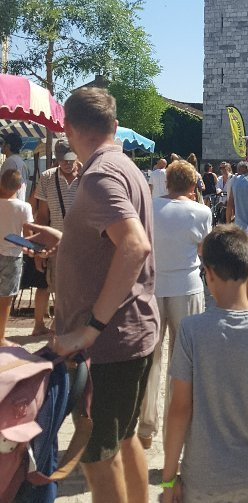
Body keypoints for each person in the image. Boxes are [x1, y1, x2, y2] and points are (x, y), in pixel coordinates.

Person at [25, 87, 159, 503]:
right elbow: (112, 244)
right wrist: (67, 241)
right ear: (114, 126)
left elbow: (134, 245)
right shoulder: (122, 165)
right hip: (130, 335)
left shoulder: (100, 174)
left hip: (109, 343)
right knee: (123, 439)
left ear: (68, 129)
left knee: (97, 456)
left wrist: (90, 329)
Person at [162, 224, 248, 503]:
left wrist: (169, 476)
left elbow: (179, 409)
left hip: (202, 475)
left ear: (207, 274)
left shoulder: (190, 331)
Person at [137, 159, 212, 449]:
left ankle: (146, 424)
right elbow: (204, 249)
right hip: (187, 286)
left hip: (153, 286)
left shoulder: (150, 207)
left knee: (151, 358)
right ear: (193, 185)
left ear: (166, 182)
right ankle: (176, 428)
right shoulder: (201, 212)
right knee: (183, 363)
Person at [30, 139, 79, 336]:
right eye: (63, 160)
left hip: (84, 244)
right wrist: (38, 248)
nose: (67, 163)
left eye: (70, 159)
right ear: (57, 160)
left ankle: (69, 326)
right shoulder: (47, 178)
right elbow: (42, 215)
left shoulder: (87, 175)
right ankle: (61, 325)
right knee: (57, 286)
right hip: (56, 244)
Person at [0, 170, 33, 346]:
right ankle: (1, 337)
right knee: (6, 298)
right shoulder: (23, 207)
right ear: (20, 186)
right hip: (13, 255)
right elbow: (28, 236)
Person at [0, 132, 29, 201]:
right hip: (18, 203)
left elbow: (5, 185)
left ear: (8, 146)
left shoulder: (10, 161)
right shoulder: (20, 161)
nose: (1, 146)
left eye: (3, 143)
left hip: (9, 204)